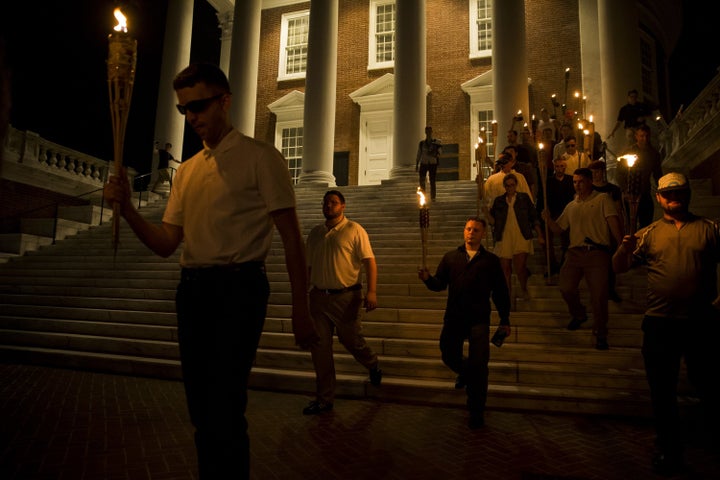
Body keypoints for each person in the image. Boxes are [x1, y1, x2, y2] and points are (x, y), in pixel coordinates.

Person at [103, 63, 318, 479]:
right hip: (194, 290)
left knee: (224, 407)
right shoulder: (187, 170)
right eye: (184, 109)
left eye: (199, 106)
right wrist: (128, 209)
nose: (191, 117)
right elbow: (167, 244)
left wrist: (302, 309)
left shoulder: (261, 157)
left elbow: (292, 238)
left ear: (225, 101)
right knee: (201, 410)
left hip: (239, 291)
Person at [612, 172, 720, 476]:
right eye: (668, 193)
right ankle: (669, 448)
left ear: (688, 194)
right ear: (658, 198)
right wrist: (623, 247)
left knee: (709, 385)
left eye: (680, 192)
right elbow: (619, 268)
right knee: (662, 391)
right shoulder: (648, 233)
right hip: (660, 324)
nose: (674, 197)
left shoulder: (710, 229)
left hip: (701, 324)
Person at [418, 217, 511, 429]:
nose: (471, 233)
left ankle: (476, 410)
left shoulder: (491, 261)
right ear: (464, 231)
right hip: (455, 317)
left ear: (483, 234)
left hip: (479, 319)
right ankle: (466, 372)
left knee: (480, 365)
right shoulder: (451, 257)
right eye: (468, 229)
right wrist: (427, 279)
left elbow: (500, 292)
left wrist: (504, 318)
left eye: (476, 230)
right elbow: (440, 284)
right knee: (448, 354)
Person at [303, 189, 382, 415]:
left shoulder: (354, 230)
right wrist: (303, 291)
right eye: (326, 202)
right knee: (320, 349)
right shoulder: (316, 233)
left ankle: (372, 363)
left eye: (334, 202)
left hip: (346, 297)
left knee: (352, 340)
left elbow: (369, 262)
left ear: (343, 206)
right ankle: (324, 399)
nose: (329, 206)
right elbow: (308, 266)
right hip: (319, 297)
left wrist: (372, 291)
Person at [542, 168, 622, 350]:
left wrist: (621, 245)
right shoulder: (571, 205)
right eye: (575, 182)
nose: (577, 185)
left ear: (589, 181)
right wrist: (548, 220)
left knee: (599, 295)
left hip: (597, 252)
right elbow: (558, 229)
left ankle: (601, 332)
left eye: (581, 182)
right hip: (574, 253)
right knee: (566, 287)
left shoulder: (603, 199)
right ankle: (578, 314)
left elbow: (613, 223)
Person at [488, 174, 545, 300]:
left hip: (521, 234)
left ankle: (524, 288)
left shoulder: (523, 198)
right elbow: (493, 222)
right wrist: (486, 213)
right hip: (504, 236)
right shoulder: (499, 201)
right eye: (507, 186)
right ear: (504, 186)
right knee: (505, 270)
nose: (510, 188)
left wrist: (539, 234)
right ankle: (507, 295)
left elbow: (534, 217)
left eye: (512, 185)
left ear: (516, 185)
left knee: (520, 268)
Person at [588, 159, 624, 302]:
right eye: (593, 172)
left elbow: (618, 210)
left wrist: (621, 230)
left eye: (599, 172)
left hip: (609, 228)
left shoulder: (613, 190)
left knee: (610, 261)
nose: (596, 175)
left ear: (603, 172)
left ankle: (610, 289)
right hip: (593, 228)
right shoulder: (588, 189)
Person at [616, 124, 663, 230]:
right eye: (642, 136)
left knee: (646, 225)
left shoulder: (653, 154)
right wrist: (625, 190)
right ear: (636, 136)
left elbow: (657, 174)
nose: (645, 139)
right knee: (629, 225)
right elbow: (619, 173)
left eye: (647, 136)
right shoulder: (628, 152)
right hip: (629, 193)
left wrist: (662, 188)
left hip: (645, 193)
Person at [536, 156, 575, 275]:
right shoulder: (547, 181)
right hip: (551, 214)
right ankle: (551, 264)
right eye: (557, 166)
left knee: (567, 241)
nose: (560, 169)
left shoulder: (571, 180)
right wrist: (542, 212)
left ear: (565, 166)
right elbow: (542, 199)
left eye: (562, 166)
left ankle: (565, 264)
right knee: (547, 242)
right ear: (554, 167)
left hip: (566, 214)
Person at [416, 125, 442, 200]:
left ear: (432, 132)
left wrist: (434, 152)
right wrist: (417, 163)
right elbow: (419, 154)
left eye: (430, 131)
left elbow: (440, 152)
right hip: (424, 163)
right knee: (422, 180)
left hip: (432, 163)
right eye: (427, 131)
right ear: (425, 132)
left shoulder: (436, 142)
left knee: (432, 181)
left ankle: (433, 197)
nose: (428, 132)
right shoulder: (421, 143)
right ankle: (423, 196)